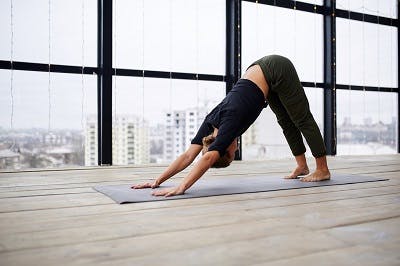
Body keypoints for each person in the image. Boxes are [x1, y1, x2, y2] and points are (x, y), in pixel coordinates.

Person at [133, 55, 331, 197]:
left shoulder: (228, 126)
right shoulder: (211, 125)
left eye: (232, 153)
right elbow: (188, 156)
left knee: (301, 118)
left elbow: (208, 157)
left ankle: (322, 169)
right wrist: (157, 181)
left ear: (224, 148)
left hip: (276, 68)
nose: (236, 148)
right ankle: (302, 166)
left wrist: (181, 187)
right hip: (262, 77)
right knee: (286, 123)